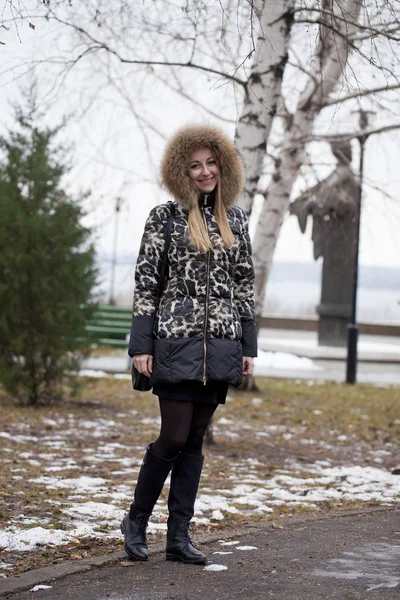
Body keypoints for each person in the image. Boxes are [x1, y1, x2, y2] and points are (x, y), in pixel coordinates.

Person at [121, 124, 258, 565]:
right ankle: (136, 520)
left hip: (220, 346)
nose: (204, 172)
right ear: (182, 171)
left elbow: (243, 287)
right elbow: (146, 283)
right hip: (174, 345)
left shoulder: (235, 218)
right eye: (195, 165)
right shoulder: (164, 217)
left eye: (211, 162)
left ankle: (178, 537)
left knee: (195, 439)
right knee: (173, 435)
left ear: (224, 165)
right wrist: (141, 346)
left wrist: (247, 347)